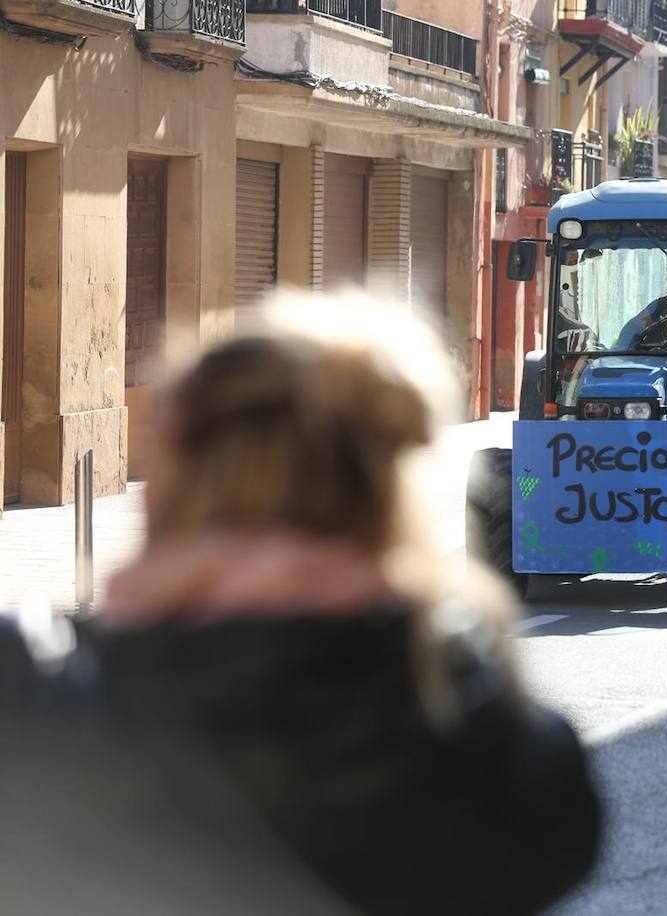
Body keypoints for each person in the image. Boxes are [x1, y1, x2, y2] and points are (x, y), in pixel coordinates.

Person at [0, 293, 601, 915]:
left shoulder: (36, 704)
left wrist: (124, 626)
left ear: (170, 482)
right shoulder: (519, 769)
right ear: (393, 488)